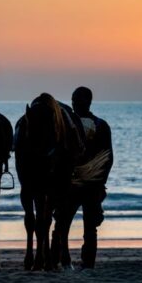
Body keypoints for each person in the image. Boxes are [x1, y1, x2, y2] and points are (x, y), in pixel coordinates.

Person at [52, 86, 113, 269]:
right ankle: (71, 261)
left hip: (83, 184)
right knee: (66, 224)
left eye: (76, 100)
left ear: (87, 102)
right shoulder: (72, 124)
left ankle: (79, 262)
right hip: (77, 183)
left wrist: (100, 182)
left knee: (73, 225)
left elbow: (107, 157)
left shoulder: (97, 126)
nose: (73, 103)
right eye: (73, 100)